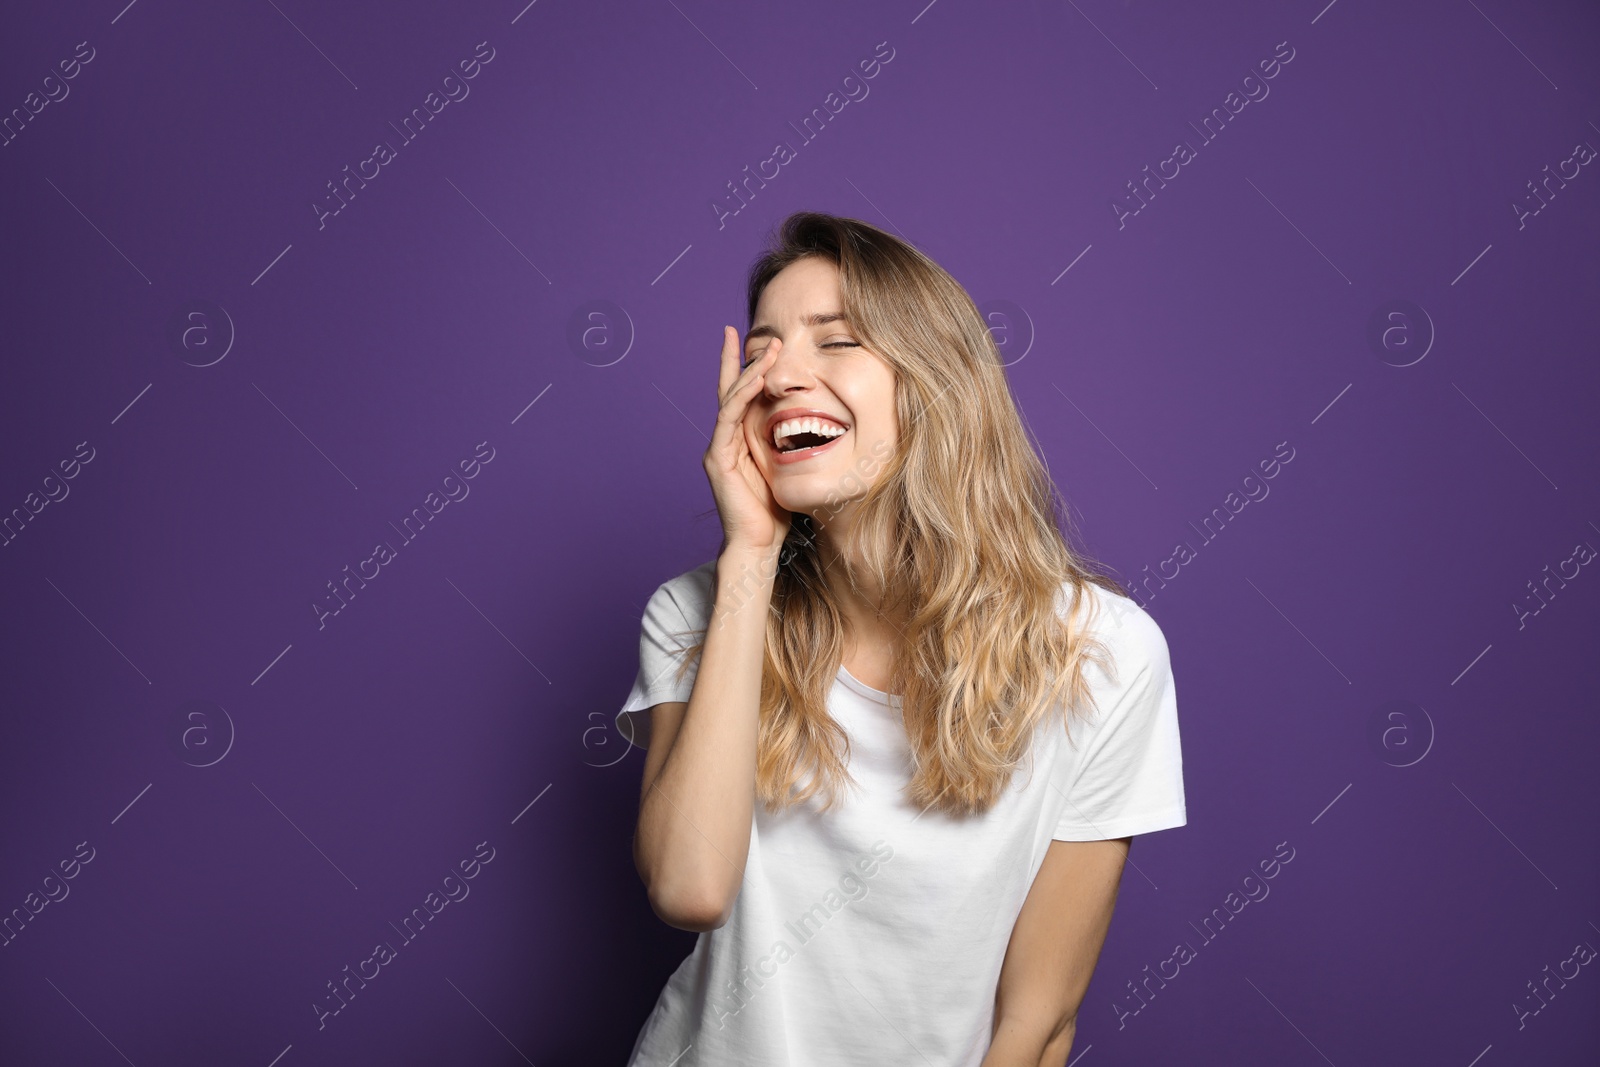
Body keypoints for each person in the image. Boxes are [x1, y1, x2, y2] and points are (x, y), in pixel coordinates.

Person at [617, 211, 1186, 1066]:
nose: (779, 377)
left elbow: (1037, 1020)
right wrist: (752, 556)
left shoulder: (1105, 653)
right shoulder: (694, 613)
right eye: (762, 348)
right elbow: (690, 888)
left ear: (935, 382)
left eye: (835, 341)